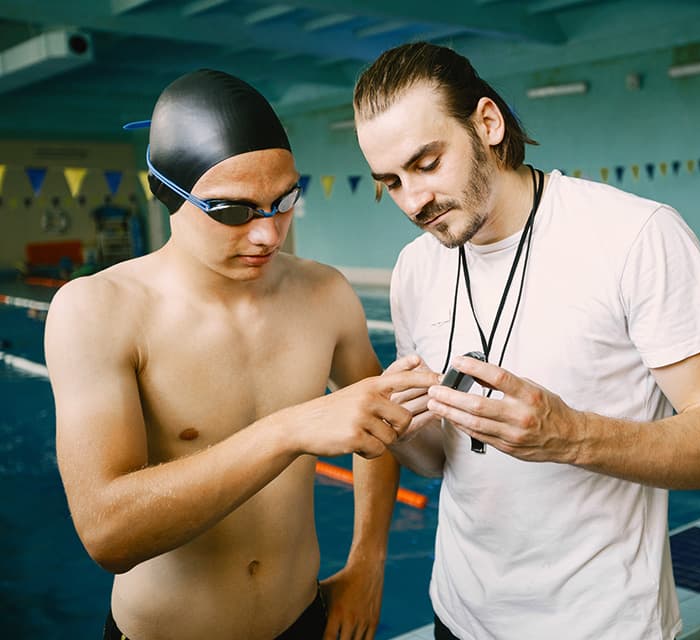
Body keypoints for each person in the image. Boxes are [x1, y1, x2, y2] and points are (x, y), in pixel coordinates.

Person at [353, 43, 700, 639]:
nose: (413, 201)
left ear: (487, 124)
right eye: (390, 182)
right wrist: (401, 432)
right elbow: (442, 461)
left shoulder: (634, 237)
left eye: (428, 163)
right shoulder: (416, 268)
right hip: (459, 617)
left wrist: (570, 436)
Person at [44, 69, 437, 640]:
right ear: (166, 191)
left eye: (283, 201)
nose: (268, 236)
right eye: (232, 211)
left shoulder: (324, 293)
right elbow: (108, 535)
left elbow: (377, 428)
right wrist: (289, 429)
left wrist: (367, 564)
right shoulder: (97, 311)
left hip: (305, 620)